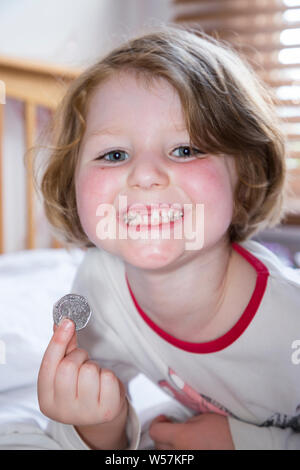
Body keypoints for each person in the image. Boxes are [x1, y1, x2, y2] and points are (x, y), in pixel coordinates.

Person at [35, 24, 300, 450]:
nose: (144, 175)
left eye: (185, 149)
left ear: (244, 177)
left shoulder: (291, 323)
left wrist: (248, 442)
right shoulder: (101, 284)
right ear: (73, 185)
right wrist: (102, 424)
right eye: (115, 154)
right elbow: (94, 415)